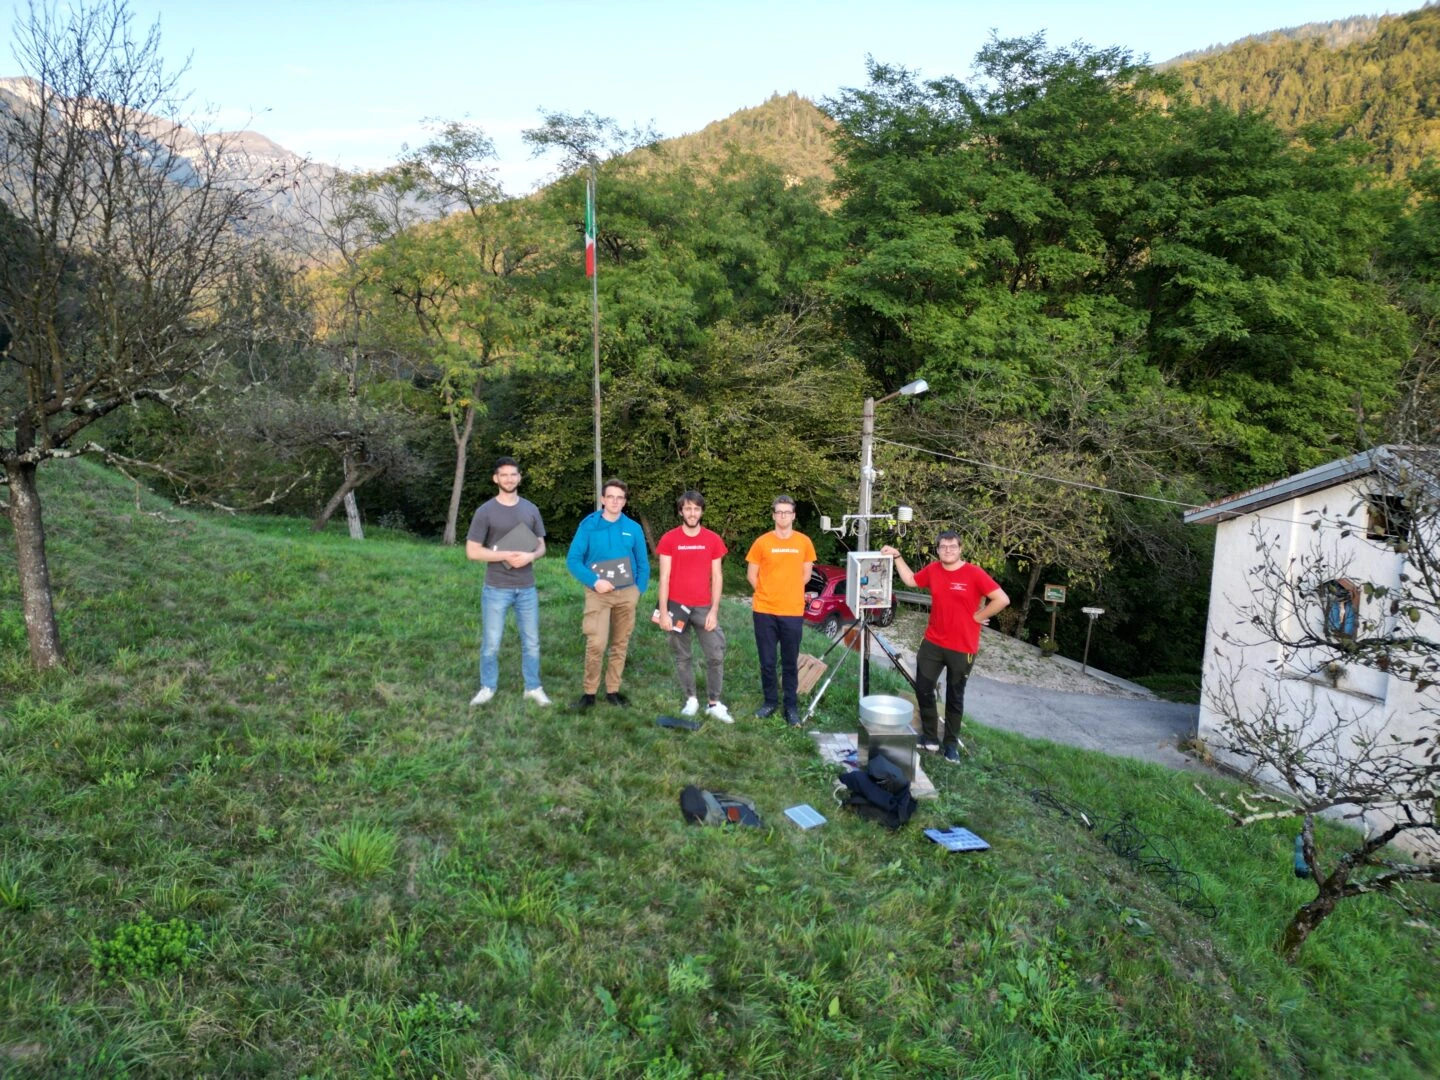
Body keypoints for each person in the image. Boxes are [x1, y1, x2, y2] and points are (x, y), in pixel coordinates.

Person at [881, 533, 1009, 762]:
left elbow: (1001, 599)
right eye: (943, 547)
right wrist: (898, 557)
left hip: (963, 647)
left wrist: (980, 616)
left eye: (952, 546)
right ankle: (930, 738)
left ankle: (950, 745)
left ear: (960, 549)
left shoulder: (974, 573)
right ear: (937, 550)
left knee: (954, 696)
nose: (948, 550)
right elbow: (911, 580)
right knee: (923, 688)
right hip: (933, 643)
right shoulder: (933, 570)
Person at [465, 457, 550, 707]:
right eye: (504, 475)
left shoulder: (531, 509)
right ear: (496, 478)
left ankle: (533, 687)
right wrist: (506, 555)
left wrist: (530, 556)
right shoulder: (485, 512)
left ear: (519, 477)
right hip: (496, 587)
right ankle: (487, 686)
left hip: (527, 588)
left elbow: (542, 546)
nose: (509, 479)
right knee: (491, 642)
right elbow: (472, 551)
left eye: (513, 475)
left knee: (532, 641)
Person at [566, 478, 651, 709]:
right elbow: (573, 560)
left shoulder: (633, 528)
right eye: (610, 497)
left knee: (620, 643)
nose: (615, 501)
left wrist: (638, 590)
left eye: (620, 497)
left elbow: (643, 563)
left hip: (627, 594)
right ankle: (589, 692)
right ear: (603, 499)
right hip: (598, 593)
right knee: (597, 643)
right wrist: (594, 581)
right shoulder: (588, 526)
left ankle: (613, 690)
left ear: (625, 501)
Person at [656, 490, 732, 722]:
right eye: (687, 508)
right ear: (681, 511)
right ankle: (691, 699)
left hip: (703, 607)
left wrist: (714, 611)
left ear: (701, 512)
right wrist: (663, 613)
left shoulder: (712, 539)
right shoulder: (669, 539)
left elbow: (717, 577)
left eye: (696, 508)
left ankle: (714, 703)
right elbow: (664, 577)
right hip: (676, 607)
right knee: (682, 656)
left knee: (715, 655)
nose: (692, 513)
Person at [746, 494, 816, 725]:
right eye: (779, 512)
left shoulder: (804, 542)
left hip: (792, 611)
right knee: (767, 661)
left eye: (787, 512)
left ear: (794, 515)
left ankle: (790, 707)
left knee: (789, 662)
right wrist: (767, 593)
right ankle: (769, 702)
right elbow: (751, 575)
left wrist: (789, 591)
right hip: (764, 610)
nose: (783, 516)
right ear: (774, 515)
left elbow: (806, 574)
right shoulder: (762, 542)